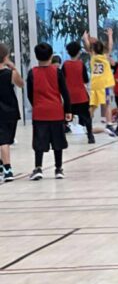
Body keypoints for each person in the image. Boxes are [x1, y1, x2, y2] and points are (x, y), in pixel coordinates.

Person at [27, 42, 71, 180]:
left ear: (36, 56)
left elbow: (29, 94)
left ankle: (38, 168)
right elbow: (65, 93)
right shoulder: (57, 72)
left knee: (39, 142)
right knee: (58, 142)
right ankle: (58, 169)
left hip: (39, 113)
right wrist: (68, 110)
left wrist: (37, 105)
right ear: (51, 56)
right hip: (56, 112)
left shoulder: (32, 73)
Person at [62, 41, 95, 144]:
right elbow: (86, 79)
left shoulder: (65, 65)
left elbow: (62, 80)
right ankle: (90, 136)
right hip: (81, 96)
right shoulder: (81, 64)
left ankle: (61, 137)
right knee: (87, 117)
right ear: (79, 52)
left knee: (64, 118)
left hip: (69, 97)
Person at [0, 43, 23, 183]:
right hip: (10, 111)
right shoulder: (10, 73)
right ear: (6, 57)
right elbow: (21, 84)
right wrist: (14, 67)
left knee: (4, 140)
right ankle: (7, 169)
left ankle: (2, 166)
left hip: (4, 112)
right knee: (5, 141)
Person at [84, 30, 115, 125]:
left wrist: (85, 38)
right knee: (107, 104)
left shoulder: (93, 56)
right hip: (104, 84)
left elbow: (88, 47)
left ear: (92, 50)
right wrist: (110, 35)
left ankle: (87, 124)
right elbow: (110, 45)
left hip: (95, 84)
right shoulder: (105, 56)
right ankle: (109, 123)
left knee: (93, 105)